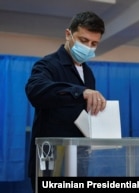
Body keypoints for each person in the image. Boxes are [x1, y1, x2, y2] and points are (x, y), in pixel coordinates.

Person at [25, 11, 106, 192]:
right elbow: (36, 91)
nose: (89, 47)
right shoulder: (47, 65)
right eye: (83, 41)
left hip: (78, 159)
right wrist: (79, 92)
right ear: (68, 34)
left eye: (94, 44)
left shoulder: (89, 74)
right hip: (50, 160)